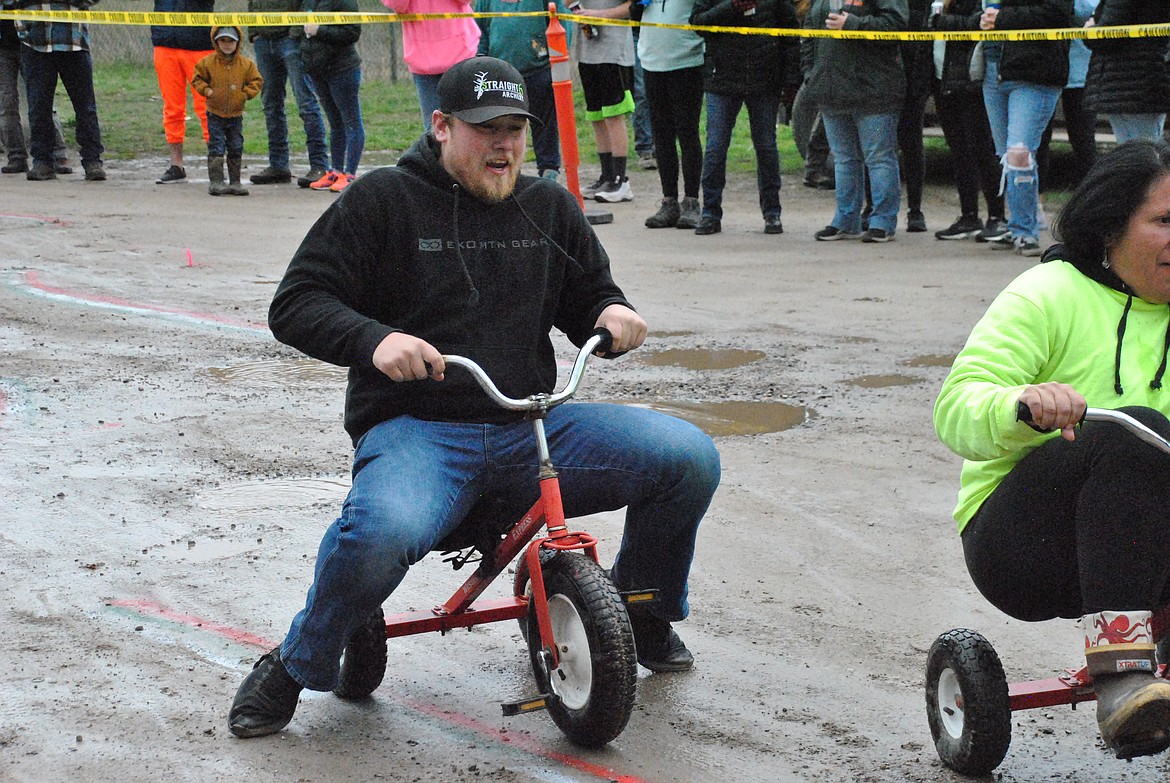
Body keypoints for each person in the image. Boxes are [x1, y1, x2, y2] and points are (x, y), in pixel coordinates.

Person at [226, 55, 720, 739]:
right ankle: (295, 662)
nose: (505, 145)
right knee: (379, 534)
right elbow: (297, 302)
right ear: (441, 126)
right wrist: (374, 340)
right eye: (486, 129)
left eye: (515, 129)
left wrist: (612, 312)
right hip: (418, 431)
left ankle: (641, 607)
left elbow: (589, 297)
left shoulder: (546, 205)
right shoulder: (382, 202)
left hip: (532, 427)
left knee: (687, 456)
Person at [934, 139, 1170, 761]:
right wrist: (1025, 408)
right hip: (1026, 547)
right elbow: (955, 408)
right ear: (1111, 227)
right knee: (1130, 429)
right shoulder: (1047, 295)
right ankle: (1121, 675)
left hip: (1149, 543)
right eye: (1164, 221)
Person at [958, 0, 1074, 258]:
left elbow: (1057, 12)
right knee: (1007, 156)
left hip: (1035, 72)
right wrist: (980, 19)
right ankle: (1018, 225)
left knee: (1019, 153)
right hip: (992, 70)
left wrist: (1001, 19)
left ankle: (1026, 230)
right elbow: (969, 14)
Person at [802, 0, 908, 243]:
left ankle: (882, 221)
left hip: (875, 90)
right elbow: (808, 31)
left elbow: (896, 27)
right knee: (844, 159)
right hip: (831, 89)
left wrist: (853, 24)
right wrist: (810, 73)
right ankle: (845, 219)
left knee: (879, 158)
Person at [689, 0, 798, 235]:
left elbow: (790, 34)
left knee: (766, 147)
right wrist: (732, 6)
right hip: (722, 79)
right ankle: (710, 212)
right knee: (716, 147)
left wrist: (790, 79)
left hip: (766, 79)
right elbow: (698, 23)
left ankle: (772, 213)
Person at [929, 0, 1006, 241]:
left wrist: (942, 22)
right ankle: (969, 215)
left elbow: (978, 22)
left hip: (974, 79)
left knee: (983, 149)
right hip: (944, 78)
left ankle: (997, 216)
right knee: (959, 151)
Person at [6, 0, 106, 181]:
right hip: (33, 41)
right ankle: (42, 161)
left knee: (85, 107)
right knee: (38, 107)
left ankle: (92, 161)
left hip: (73, 41)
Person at [475, 0, 573, 181]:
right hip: (500, 73)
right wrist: (481, 61)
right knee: (503, 125)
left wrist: (557, 64)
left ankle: (549, 170)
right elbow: (479, 30)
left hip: (540, 70)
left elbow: (562, 26)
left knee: (544, 124)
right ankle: (504, 171)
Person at [636, 0, 705, 229]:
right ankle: (669, 201)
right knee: (661, 136)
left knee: (687, 132)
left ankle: (692, 201)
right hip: (652, 61)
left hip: (687, 61)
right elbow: (633, 14)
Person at [246, 0, 330, 187]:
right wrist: (254, 32)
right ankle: (278, 165)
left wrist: (295, 32)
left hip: (290, 40)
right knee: (270, 104)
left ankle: (319, 165)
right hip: (264, 42)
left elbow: (308, 2)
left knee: (306, 102)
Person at [296, 0, 365, 193]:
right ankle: (335, 171)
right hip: (317, 70)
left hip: (342, 68)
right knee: (335, 122)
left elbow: (352, 32)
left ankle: (350, 173)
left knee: (351, 121)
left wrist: (320, 30)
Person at [381, 0, 480, 132]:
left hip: (461, 54)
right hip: (422, 60)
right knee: (433, 129)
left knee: (467, 123)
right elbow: (398, 5)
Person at [574, 0, 636, 203]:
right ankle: (606, 176)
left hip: (614, 52)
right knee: (596, 116)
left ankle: (621, 180)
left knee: (613, 115)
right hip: (587, 50)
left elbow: (632, 7)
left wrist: (600, 15)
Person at [1083, 0, 1170, 144]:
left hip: (1131, 79)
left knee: (1144, 154)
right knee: (1143, 152)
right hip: (1139, 78)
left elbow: (1106, 33)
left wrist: (1089, 30)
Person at [191, 26, 263, 196]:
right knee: (216, 146)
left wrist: (245, 94)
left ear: (237, 42)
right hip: (214, 113)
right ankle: (216, 181)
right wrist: (207, 90)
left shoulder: (246, 64)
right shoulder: (207, 62)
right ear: (216, 41)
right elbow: (197, 78)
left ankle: (235, 182)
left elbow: (256, 81)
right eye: (223, 40)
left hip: (236, 115)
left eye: (231, 41)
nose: (227, 45)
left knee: (236, 146)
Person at [149, 0, 214, 184]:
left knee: (207, 107)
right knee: (172, 107)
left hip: (199, 44)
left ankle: (215, 163)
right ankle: (176, 165)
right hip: (165, 43)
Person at [0, 17, 70, 175]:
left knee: (42, 101)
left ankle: (57, 155)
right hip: (3, 47)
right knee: (6, 104)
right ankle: (15, 157)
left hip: (32, 43)